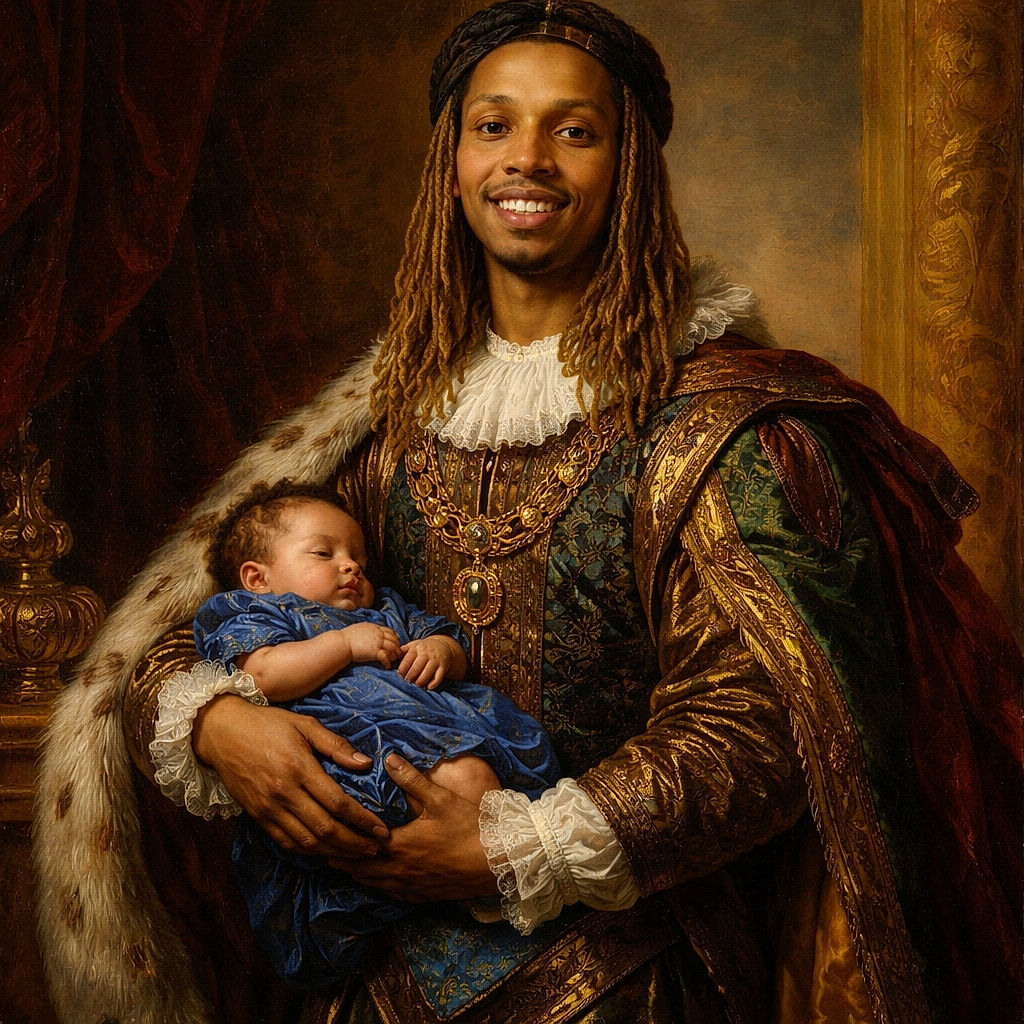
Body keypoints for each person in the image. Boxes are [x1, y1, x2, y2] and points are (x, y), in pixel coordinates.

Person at [34, 2, 1021, 1024]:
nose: (528, 160)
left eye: (574, 129)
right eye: (493, 125)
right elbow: (180, 633)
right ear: (451, 162)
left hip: (626, 975)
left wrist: (508, 846)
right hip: (369, 975)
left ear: (627, 165)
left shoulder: (723, 428)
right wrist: (225, 723)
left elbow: (761, 724)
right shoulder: (382, 425)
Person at [193, 482, 560, 988]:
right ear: (258, 577)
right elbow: (263, 676)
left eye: (358, 557)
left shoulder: (387, 609)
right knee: (455, 789)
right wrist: (342, 645)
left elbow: (450, 644)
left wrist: (437, 651)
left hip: (435, 729)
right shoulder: (258, 613)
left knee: (478, 785)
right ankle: (471, 891)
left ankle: (491, 886)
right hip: (352, 747)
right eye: (325, 553)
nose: (352, 566)